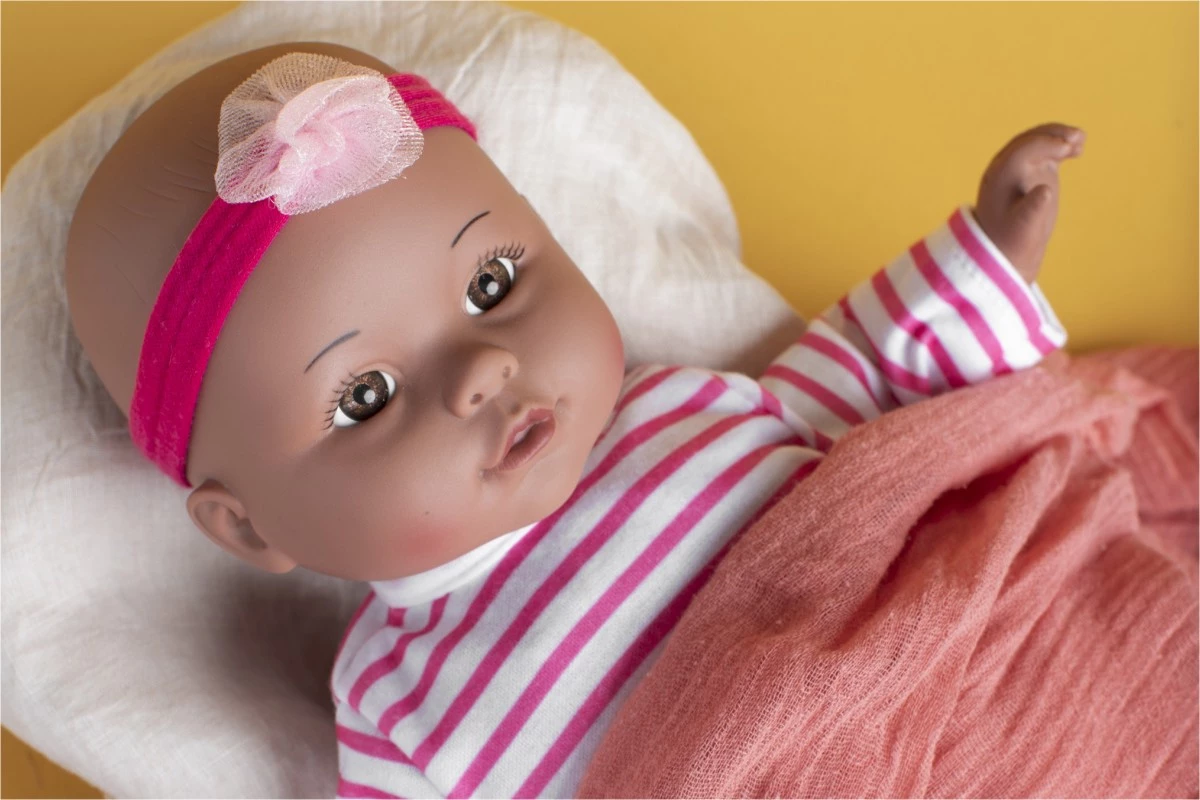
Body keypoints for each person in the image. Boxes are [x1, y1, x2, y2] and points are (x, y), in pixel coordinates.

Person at [65, 42, 1083, 798]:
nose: (484, 369)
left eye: (493, 282)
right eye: (364, 395)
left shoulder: (678, 406)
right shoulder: (398, 704)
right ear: (250, 528)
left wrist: (984, 264)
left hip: (1000, 696)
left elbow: (860, 411)